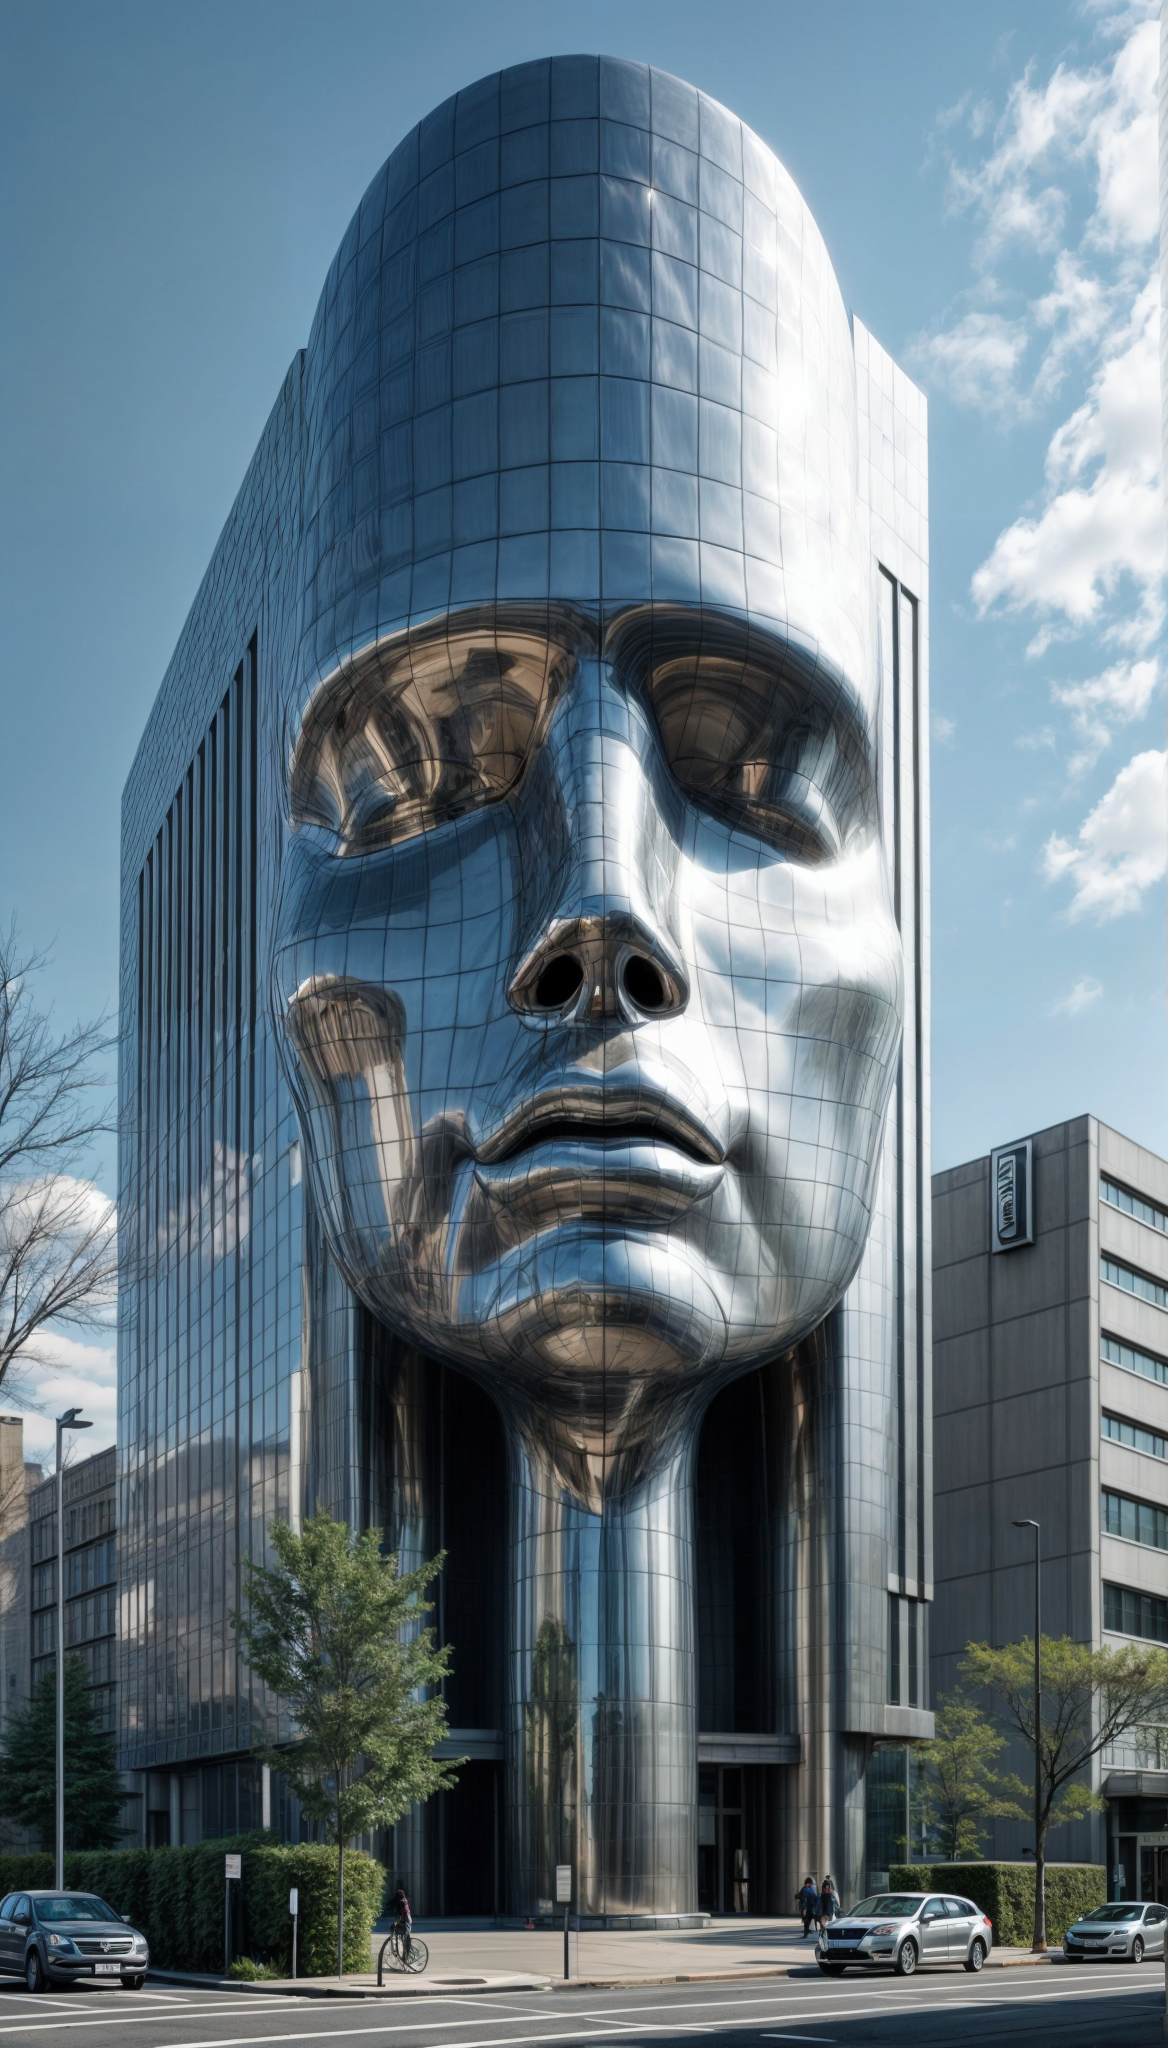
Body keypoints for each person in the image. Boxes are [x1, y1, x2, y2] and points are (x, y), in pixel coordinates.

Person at [391, 1884, 412, 1961]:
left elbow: (401, 1915)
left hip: (406, 1920)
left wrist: (396, 1923)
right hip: (405, 1919)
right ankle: (400, 1953)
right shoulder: (403, 1900)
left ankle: (405, 1956)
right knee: (398, 1933)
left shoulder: (401, 1902)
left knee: (405, 1937)